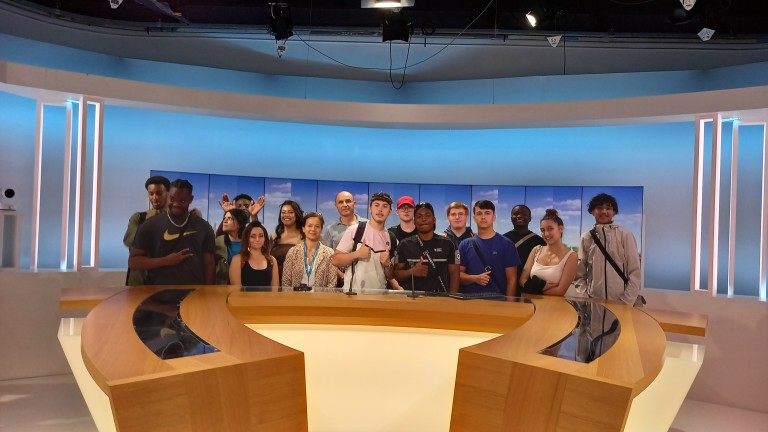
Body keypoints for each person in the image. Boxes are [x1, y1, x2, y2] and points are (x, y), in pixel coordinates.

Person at [129, 179, 216, 285]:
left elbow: (209, 265)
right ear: (167, 196)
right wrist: (166, 260)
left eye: (182, 201)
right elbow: (133, 262)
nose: (176, 204)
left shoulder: (204, 227)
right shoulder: (149, 225)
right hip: (158, 292)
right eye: (172, 199)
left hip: (194, 292)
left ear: (191, 199)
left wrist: (207, 292)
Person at [573, 193, 642, 305]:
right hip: (594, 304)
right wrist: (586, 297)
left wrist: (626, 301)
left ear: (614, 212)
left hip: (621, 303)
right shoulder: (586, 238)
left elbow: (634, 272)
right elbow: (579, 273)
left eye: (608, 208)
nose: (604, 211)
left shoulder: (625, 235)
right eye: (600, 208)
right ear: (592, 211)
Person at [332, 192, 396, 292]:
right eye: (376, 205)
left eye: (385, 206)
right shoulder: (355, 230)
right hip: (353, 295)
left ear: (390, 211)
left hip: (379, 295)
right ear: (370, 209)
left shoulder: (391, 238)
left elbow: (390, 276)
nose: (380, 209)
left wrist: (388, 264)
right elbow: (335, 260)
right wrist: (357, 254)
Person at [458, 200, 521, 296]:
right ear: (474, 218)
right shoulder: (464, 245)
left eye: (487, 213)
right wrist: (474, 278)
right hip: (469, 300)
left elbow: (512, 280)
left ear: (494, 217)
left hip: (498, 301)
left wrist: (509, 304)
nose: (483, 217)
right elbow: (457, 275)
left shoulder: (507, 244)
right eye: (479, 213)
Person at [394, 202, 459, 293]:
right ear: (414, 221)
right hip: (413, 298)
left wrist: (452, 298)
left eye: (427, 215)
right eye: (419, 216)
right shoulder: (404, 244)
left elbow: (455, 274)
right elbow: (396, 274)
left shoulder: (448, 244)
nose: (423, 219)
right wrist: (412, 271)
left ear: (434, 219)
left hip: (441, 298)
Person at [123, 175, 170, 285]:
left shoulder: (176, 220)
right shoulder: (138, 218)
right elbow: (129, 241)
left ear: (168, 193)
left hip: (165, 280)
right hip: (139, 281)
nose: (154, 197)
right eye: (151, 194)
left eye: (159, 193)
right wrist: (148, 223)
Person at [519, 209, 577, 296]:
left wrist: (532, 289)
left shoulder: (571, 256)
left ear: (561, 228)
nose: (546, 234)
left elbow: (560, 291)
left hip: (554, 304)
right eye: (543, 230)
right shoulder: (536, 250)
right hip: (531, 303)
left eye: (550, 229)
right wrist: (535, 289)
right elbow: (522, 280)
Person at [321, 191, 368, 284]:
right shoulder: (330, 229)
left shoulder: (367, 225)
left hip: (364, 279)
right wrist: (341, 276)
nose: (345, 205)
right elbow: (327, 258)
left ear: (354, 203)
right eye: (341, 202)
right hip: (339, 281)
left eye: (348, 201)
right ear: (336, 206)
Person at [281, 212, 338, 290]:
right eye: (309, 226)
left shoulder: (329, 253)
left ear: (321, 230)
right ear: (303, 229)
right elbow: (286, 283)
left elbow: (332, 284)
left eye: (317, 226)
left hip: (320, 297)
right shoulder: (293, 252)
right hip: (296, 296)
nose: (313, 229)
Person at [229, 222, 279, 288]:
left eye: (261, 236)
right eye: (253, 236)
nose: (257, 239)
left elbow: (275, 289)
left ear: (265, 238)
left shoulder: (272, 260)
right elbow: (236, 290)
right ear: (247, 239)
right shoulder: (237, 260)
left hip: (267, 295)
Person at [268, 200, 305, 285]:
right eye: (283, 212)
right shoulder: (274, 237)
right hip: (275, 283)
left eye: (290, 212)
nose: (286, 215)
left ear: (297, 215)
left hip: (298, 284)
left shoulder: (305, 237)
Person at [503, 204, 546, 273]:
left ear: (530, 218)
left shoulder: (540, 242)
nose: (519, 216)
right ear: (511, 218)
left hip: (530, 279)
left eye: (524, 214)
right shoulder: (502, 240)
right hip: (506, 279)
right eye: (516, 214)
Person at [214, 208, 249, 284]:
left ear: (239, 224)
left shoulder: (248, 242)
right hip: (222, 286)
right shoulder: (218, 241)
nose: (225, 221)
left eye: (229, 218)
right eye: (224, 218)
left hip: (244, 285)